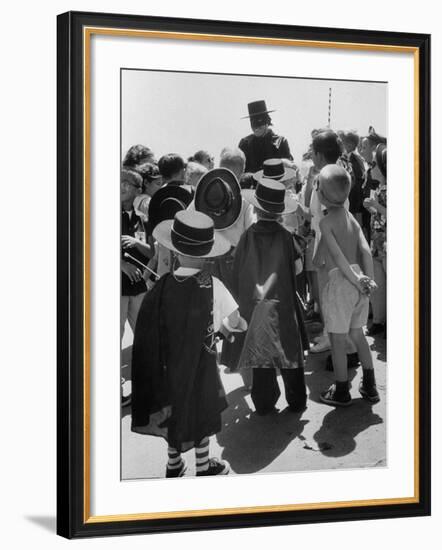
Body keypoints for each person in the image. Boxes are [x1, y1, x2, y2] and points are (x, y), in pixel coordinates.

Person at [131, 210, 246, 477]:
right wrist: (226, 329)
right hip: (202, 368)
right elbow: (236, 319)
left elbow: (148, 328)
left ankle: (174, 464)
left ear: (174, 251)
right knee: (200, 413)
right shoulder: (213, 284)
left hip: (168, 368)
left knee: (173, 412)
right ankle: (204, 466)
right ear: (207, 255)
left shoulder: (160, 287)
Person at [223, 161, 309, 414]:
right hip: (282, 302)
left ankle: (264, 402)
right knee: (290, 353)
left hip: (254, 303)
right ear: (280, 211)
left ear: (257, 209)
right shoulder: (286, 237)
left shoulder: (247, 236)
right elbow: (297, 270)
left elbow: (236, 270)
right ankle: (296, 401)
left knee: (261, 354)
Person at [313, 165, 380, 406]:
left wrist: (354, 278)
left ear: (320, 194)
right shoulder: (351, 218)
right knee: (357, 334)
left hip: (342, 283)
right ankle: (370, 385)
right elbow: (363, 249)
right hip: (360, 283)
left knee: (338, 339)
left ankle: (341, 389)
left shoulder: (325, 223)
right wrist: (367, 279)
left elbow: (330, 259)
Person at [120, 169, 154, 406]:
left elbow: (153, 251)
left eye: (127, 183)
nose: (121, 186)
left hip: (140, 286)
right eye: (119, 182)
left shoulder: (144, 217)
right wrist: (121, 264)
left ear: (138, 189)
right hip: (117, 288)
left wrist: (136, 242)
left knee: (145, 335)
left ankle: (147, 386)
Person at [364, 144, 387, 337]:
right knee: (378, 286)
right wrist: (373, 208)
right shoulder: (380, 189)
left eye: (374, 165)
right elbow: (381, 216)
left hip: (387, 246)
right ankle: (379, 320)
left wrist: (377, 206)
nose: (371, 168)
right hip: (377, 245)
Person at [238, 100, 293, 173]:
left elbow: (289, 170)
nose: (256, 127)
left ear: (267, 121)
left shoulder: (280, 142)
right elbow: (238, 171)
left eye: (259, 122)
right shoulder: (245, 144)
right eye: (253, 122)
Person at [341, 130, 366, 226]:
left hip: (355, 204)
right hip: (349, 202)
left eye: (342, 141)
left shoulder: (356, 160)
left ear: (350, 144)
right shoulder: (344, 158)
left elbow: (358, 182)